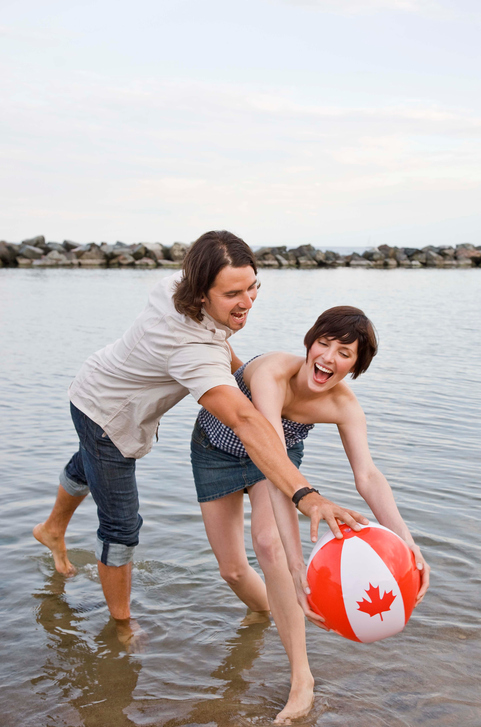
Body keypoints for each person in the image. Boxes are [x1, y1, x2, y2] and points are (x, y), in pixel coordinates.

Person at [33, 231, 368, 646]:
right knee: (120, 526)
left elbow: (217, 342)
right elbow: (244, 420)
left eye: (252, 287)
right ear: (202, 294)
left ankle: (52, 528)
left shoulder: (178, 286)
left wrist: (250, 374)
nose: (246, 301)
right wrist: (306, 495)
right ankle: (120, 627)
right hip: (107, 415)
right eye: (232, 293)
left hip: (94, 385)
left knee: (88, 461)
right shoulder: (189, 349)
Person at [190, 305, 430, 724]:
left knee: (269, 546)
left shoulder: (343, 405)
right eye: (324, 343)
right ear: (310, 341)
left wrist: (407, 542)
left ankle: (302, 679)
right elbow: (271, 457)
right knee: (232, 570)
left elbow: (368, 476)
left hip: (280, 460)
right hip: (217, 451)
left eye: (345, 353)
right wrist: (297, 566)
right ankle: (268, 609)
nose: (329, 358)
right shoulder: (271, 374)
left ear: (357, 365)